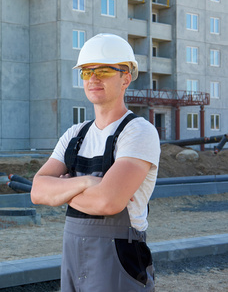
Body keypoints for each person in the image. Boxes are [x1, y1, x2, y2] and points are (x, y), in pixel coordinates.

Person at [31, 33, 160, 291]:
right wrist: (89, 182)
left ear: (126, 77)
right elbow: (37, 191)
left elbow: (108, 201)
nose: (93, 78)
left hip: (119, 260)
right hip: (73, 256)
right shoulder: (74, 135)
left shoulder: (138, 132)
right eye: (86, 72)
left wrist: (63, 191)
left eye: (103, 70)